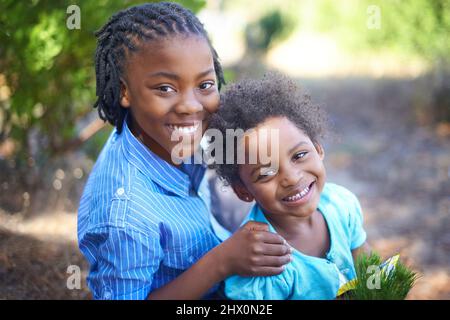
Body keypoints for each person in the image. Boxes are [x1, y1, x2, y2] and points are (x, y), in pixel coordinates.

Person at [77, 3, 291, 300]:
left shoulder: (160, 134)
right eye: (165, 88)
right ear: (124, 91)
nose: (191, 106)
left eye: (204, 84)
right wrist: (221, 262)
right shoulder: (125, 217)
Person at [208, 73, 371, 299]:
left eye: (300, 155)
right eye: (266, 173)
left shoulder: (341, 204)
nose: (292, 178)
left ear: (318, 148)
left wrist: (382, 291)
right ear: (243, 191)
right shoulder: (259, 263)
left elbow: (368, 268)